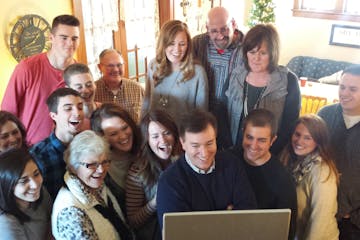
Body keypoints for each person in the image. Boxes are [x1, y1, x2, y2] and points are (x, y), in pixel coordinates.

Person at [156, 109, 256, 229]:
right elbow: (179, 233)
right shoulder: (169, 182)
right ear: (182, 143)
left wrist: (200, 225)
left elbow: (249, 215)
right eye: (195, 145)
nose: (204, 153)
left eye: (209, 143)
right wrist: (227, 215)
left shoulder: (232, 164)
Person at [1, 15, 81, 146]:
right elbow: (7, 114)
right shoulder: (27, 67)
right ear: (51, 38)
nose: (70, 43)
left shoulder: (79, 74)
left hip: (69, 150)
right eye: (64, 38)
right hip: (31, 152)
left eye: (74, 38)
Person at [225, 23, 300, 154]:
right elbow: (223, 112)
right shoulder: (235, 75)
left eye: (263, 53)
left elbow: (290, 124)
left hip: (268, 154)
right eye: (252, 52)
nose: (256, 58)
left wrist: (272, 151)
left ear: (272, 53)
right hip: (234, 151)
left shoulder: (289, 81)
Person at [52, 130, 133, 240]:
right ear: (73, 166)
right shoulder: (71, 213)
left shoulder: (97, 186)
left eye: (104, 162)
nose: (101, 170)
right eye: (91, 165)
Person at [234, 109, 297, 239]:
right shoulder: (229, 160)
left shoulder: (283, 180)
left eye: (261, 140)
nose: (253, 145)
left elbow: (286, 229)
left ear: (273, 140)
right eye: (249, 137)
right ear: (242, 133)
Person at [318, 64, 360, 240]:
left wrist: (354, 216)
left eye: (353, 89)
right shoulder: (324, 115)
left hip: (352, 222)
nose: (344, 93)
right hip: (319, 212)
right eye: (342, 87)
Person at [280, 114, 339, 240]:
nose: (299, 141)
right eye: (297, 134)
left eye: (307, 138)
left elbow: (321, 219)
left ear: (318, 142)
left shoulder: (321, 171)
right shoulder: (290, 159)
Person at [126, 110, 182, 240]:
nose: (163, 140)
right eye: (155, 136)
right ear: (147, 140)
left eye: (167, 133)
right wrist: (155, 202)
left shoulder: (183, 161)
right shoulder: (137, 172)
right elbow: (133, 222)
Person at [142, 20, 208, 126]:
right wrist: (142, 129)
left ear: (188, 46)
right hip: (156, 134)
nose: (177, 50)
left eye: (182, 44)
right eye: (171, 44)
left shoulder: (198, 73)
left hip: (183, 135)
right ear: (163, 44)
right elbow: (147, 101)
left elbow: (201, 114)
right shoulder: (153, 65)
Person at [30, 88, 84, 200]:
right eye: (68, 109)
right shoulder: (38, 155)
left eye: (80, 107)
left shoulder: (88, 145)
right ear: (54, 116)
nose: (77, 113)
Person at [192, 7, 243, 117]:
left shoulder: (247, 48)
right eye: (214, 31)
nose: (220, 36)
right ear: (207, 28)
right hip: (202, 112)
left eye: (224, 29)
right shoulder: (197, 44)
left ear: (233, 24)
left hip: (232, 115)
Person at [91, 103, 141, 212]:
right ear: (102, 137)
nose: (123, 136)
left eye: (125, 128)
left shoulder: (146, 149)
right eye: (113, 134)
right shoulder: (99, 166)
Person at [0, 148, 52, 240]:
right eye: (24, 181)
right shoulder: (5, 223)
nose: (35, 185)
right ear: (7, 186)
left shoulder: (41, 192)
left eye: (36, 174)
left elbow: (52, 225)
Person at [94, 49, 144, 123]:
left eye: (119, 65)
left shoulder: (137, 89)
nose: (116, 69)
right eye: (110, 66)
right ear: (100, 67)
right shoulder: (93, 91)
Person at [63, 63, 101, 129]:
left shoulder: (105, 111)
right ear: (68, 89)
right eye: (79, 87)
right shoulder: (67, 121)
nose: (86, 91)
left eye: (89, 85)